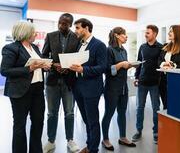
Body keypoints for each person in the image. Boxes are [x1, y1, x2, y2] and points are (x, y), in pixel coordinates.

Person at [0, 21, 51, 153]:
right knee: (20, 125)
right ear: (25, 33)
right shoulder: (11, 48)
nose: (35, 34)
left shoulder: (35, 47)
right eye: (33, 31)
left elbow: (38, 66)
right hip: (20, 91)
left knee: (38, 123)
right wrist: (28, 69)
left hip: (38, 90)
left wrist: (44, 67)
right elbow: (5, 70)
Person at [42, 13, 80, 153]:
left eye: (64, 23)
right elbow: (44, 56)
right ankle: (51, 141)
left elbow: (79, 57)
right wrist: (55, 65)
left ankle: (70, 140)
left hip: (69, 81)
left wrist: (69, 66)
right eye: (59, 22)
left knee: (69, 113)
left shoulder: (76, 37)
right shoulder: (50, 36)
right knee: (52, 113)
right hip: (52, 80)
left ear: (70, 24)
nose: (60, 25)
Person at [69, 18, 107, 153]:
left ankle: (93, 149)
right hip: (78, 87)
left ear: (86, 28)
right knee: (86, 120)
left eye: (78, 28)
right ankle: (89, 145)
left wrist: (83, 70)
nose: (76, 31)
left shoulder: (99, 45)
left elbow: (103, 67)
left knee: (93, 121)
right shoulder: (80, 44)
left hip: (91, 88)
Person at [101, 27, 136, 151]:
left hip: (123, 87)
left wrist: (129, 65)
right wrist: (122, 64)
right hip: (111, 88)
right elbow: (107, 70)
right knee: (109, 114)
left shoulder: (124, 50)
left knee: (122, 113)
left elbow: (122, 67)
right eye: (124, 35)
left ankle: (122, 137)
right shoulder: (108, 50)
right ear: (117, 35)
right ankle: (105, 139)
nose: (126, 36)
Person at [132, 25, 163, 144]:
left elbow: (162, 64)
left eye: (148, 33)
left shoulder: (161, 47)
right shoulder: (142, 47)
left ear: (155, 34)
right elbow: (139, 63)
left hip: (155, 83)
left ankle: (156, 132)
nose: (145, 35)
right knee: (140, 107)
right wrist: (136, 77)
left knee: (156, 108)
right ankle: (138, 131)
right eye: (145, 33)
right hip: (142, 82)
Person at [158, 25, 180, 109]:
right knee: (165, 106)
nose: (169, 33)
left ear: (178, 33)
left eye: (171, 31)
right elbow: (159, 60)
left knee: (174, 107)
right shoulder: (165, 45)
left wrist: (172, 65)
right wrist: (163, 64)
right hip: (163, 80)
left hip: (176, 80)